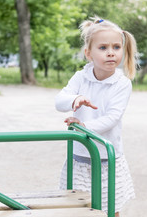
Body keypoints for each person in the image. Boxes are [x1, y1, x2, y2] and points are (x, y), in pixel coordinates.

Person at [55, 16, 137, 217]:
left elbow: (112, 118)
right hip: (79, 157)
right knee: (78, 208)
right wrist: (74, 99)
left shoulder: (122, 84)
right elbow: (59, 101)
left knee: (110, 208)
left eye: (116, 47)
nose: (111, 53)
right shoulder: (81, 77)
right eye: (103, 48)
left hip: (106, 158)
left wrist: (84, 126)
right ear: (88, 53)